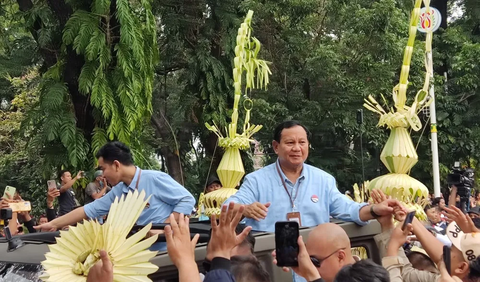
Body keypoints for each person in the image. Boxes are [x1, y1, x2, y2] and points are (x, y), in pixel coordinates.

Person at [224, 121, 401, 232]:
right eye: (290, 143)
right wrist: (245, 209)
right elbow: (227, 207)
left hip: (313, 264)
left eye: (302, 142)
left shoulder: (323, 180)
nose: (297, 148)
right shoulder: (256, 181)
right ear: (276, 147)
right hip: (271, 264)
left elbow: (349, 209)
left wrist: (375, 209)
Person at [35, 141, 196, 251]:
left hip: (169, 255)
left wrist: (163, 229)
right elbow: (88, 210)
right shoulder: (119, 191)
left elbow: (187, 199)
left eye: (103, 169)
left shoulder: (153, 178)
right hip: (143, 257)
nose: (102, 175)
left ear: (117, 165)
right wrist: (54, 224)